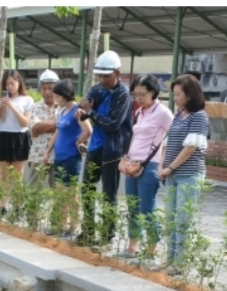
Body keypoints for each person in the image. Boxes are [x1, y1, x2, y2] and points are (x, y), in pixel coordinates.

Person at [77, 50, 134, 247]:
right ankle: (87, 231)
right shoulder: (97, 89)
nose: (102, 79)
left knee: (109, 194)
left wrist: (91, 112)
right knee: (87, 191)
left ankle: (107, 236)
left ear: (118, 73)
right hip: (94, 147)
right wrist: (84, 112)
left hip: (112, 151)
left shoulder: (124, 95)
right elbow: (83, 108)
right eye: (100, 75)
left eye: (106, 76)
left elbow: (113, 124)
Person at [158, 74, 210, 275]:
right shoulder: (179, 115)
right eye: (174, 95)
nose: (176, 98)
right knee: (170, 219)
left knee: (182, 220)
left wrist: (170, 168)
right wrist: (162, 166)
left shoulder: (199, 116)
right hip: (171, 174)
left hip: (188, 175)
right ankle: (169, 258)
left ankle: (179, 263)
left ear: (190, 95)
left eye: (178, 94)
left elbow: (190, 148)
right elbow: (167, 142)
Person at [118, 74, 173, 261]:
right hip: (132, 164)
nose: (138, 98)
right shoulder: (139, 112)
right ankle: (132, 247)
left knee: (147, 208)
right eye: (135, 94)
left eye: (142, 94)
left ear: (153, 92)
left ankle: (152, 251)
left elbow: (174, 136)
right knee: (133, 207)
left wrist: (165, 163)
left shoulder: (163, 112)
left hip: (150, 165)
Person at [45, 80, 92, 239]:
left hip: (71, 158)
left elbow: (88, 130)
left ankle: (73, 227)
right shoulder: (63, 111)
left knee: (71, 193)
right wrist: (47, 152)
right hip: (60, 156)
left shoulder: (77, 111)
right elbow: (58, 133)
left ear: (66, 95)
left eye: (58, 96)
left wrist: (78, 142)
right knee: (60, 192)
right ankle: (62, 225)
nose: (55, 99)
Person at [0, 69, 34, 214]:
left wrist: (13, 107)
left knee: (17, 176)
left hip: (19, 137)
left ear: (19, 83)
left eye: (12, 83)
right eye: (6, 84)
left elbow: (25, 123)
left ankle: (18, 206)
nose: (9, 87)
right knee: (4, 176)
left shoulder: (27, 100)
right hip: (2, 137)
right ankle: (3, 206)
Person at [27, 69, 60, 190]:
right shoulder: (34, 107)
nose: (47, 92)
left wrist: (43, 126)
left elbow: (67, 128)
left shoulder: (63, 108)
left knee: (59, 193)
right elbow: (35, 127)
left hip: (59, 155)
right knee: (33, 192)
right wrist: (58, 124)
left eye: (50, 88)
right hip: (38, 155)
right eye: (44, 88)